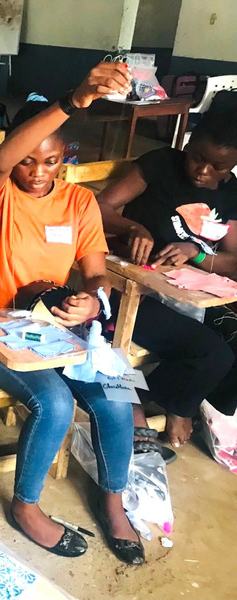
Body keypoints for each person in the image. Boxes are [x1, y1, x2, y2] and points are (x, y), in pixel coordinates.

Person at [0, 63, 145, 565]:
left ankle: (112, 502)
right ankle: (26, 506)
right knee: (56, 405)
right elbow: (1, 160)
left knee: (113, 397)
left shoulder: (79, 201)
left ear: (65, 158)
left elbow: (95, 273)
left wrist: (93, 298)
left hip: (57, 324)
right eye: (28, 160)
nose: (38, 171)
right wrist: (74, 99)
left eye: (50, 160)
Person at [97, 110, 237, 449]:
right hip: (132, 288)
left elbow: (233, 261)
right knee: (213, 354)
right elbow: (100, 206)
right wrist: (133, 227)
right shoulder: (160, 164)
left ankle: (186, 397)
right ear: (187, 143)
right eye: (196, 158)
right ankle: (177, 404)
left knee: (227, 347)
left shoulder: (233, 193)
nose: (203, 171)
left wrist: (197, 253)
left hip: (189, 293)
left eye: (217, 167)